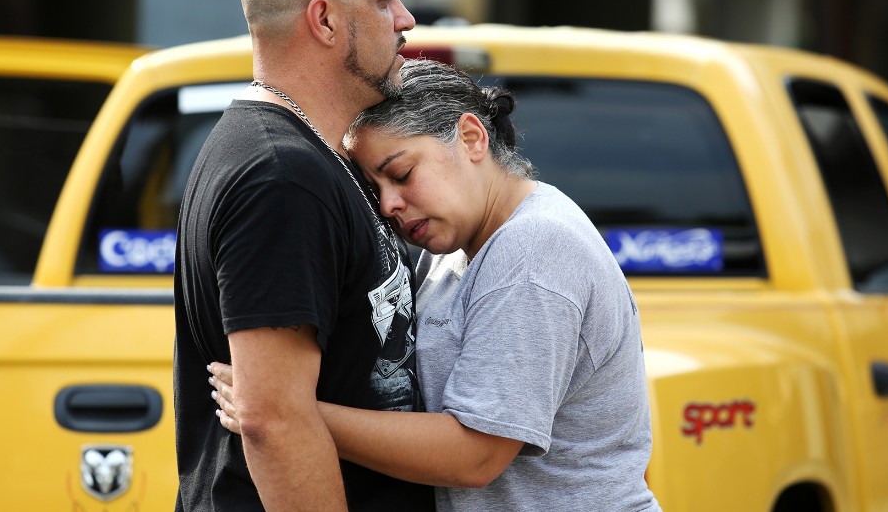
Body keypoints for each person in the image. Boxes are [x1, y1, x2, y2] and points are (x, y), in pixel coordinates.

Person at [209, 58, 662, 511]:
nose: (389, 204)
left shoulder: (533, 249)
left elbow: (476, 456)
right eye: (374, 188)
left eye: (402, 174)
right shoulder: (451, 250)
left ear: (471, 137)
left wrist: (285, 410)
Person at [173, 0, 432, 511]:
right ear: (325, 19)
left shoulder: (313, 159)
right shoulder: (281, 178)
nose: (405, 20)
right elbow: (273, 421)